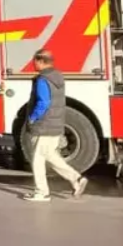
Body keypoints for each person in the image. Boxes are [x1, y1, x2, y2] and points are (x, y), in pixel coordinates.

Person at [24, 49, 88, 202]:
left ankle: (42, 192)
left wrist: (32, 118)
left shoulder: (43, 79)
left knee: (37, 159)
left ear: (40, 61)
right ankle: (76, 179)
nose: (33, 65)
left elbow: (43, 102)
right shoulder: (57, 76)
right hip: (55, 123)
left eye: (35, 62)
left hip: (43, 124)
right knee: (50, 155)